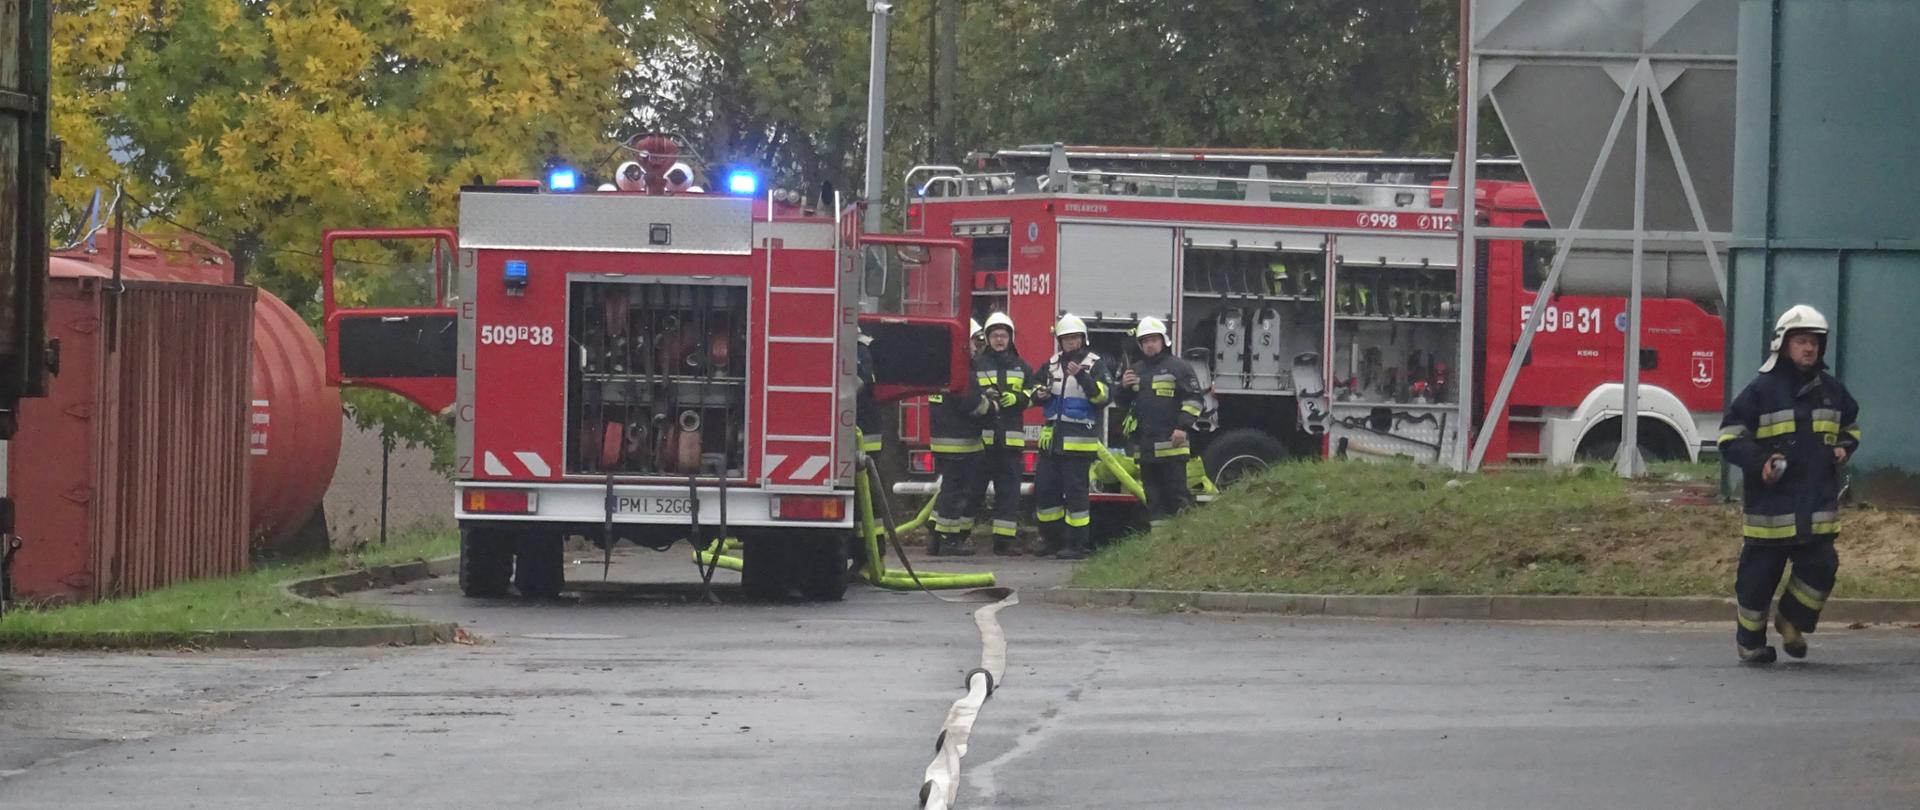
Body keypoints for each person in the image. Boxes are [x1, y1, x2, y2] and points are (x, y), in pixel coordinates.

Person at [1717, 304, 1862, 664]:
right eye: (1801, 341)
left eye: (1814, 341)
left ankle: (1792, 620)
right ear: (1783, 344)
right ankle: (1750, 642)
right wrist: (1759, 461)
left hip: (1815, 508)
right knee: (1756, 581)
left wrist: (1844, 446)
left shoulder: (1832, 391)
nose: (1809, 348)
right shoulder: (1761, 391)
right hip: (1770, 511)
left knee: (1821, 566)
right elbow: (1730, 437)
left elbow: (1851, 426)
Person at [1028, 314, 1113, 560]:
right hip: (1051, 441)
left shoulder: (1095, 364)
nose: (1070, 342)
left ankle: (1078, 545)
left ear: (1083, 339)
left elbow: (1103, 397)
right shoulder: (1052, 364)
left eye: (1074, 337)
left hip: (1079, 442)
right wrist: (1039, 393)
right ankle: (1051, 540)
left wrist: (1083, 377)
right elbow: (1033, 387)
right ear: (1059, 341)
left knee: (1076, 495)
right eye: (1065, 338)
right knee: (1045, 492)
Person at [1115, 316, 1203, 529]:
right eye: (1145, 341)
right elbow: (1122, 404)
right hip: (1146, 449)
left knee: (1177, 496)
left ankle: (1185, 540)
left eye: (1153, 339)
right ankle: (1159, 545)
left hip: (1173, 446)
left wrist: (1182, 427)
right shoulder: (1135, 370)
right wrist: (1123, 388)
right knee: (1153, 500)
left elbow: (1194, 399)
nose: (1150, 344)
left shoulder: (1179, 367)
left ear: (1164, 341)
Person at [965, 312, 1032, 555]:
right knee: (972, 492)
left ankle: (1004, 543)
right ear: (988, 338)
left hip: (1010, 444)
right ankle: (959, 537)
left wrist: (1018, 398)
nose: (1000, 340)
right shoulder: (977, 364)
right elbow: (969, 394)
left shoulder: (1021, 366)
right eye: (995, 335)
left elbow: (1033, 394)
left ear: (1010, 338)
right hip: (982, 442)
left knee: (1009, 494)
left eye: (1004, 335)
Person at [926, 320, 990, 556]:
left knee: (948, 490)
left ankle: (936, 531)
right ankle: (948, 540)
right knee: (957, 493)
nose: (976, 347)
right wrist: (991, 405)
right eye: (974, 342)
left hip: (944, 440)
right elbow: (971, 404)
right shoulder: (961, 368)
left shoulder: (941, 366)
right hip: (961, 443)